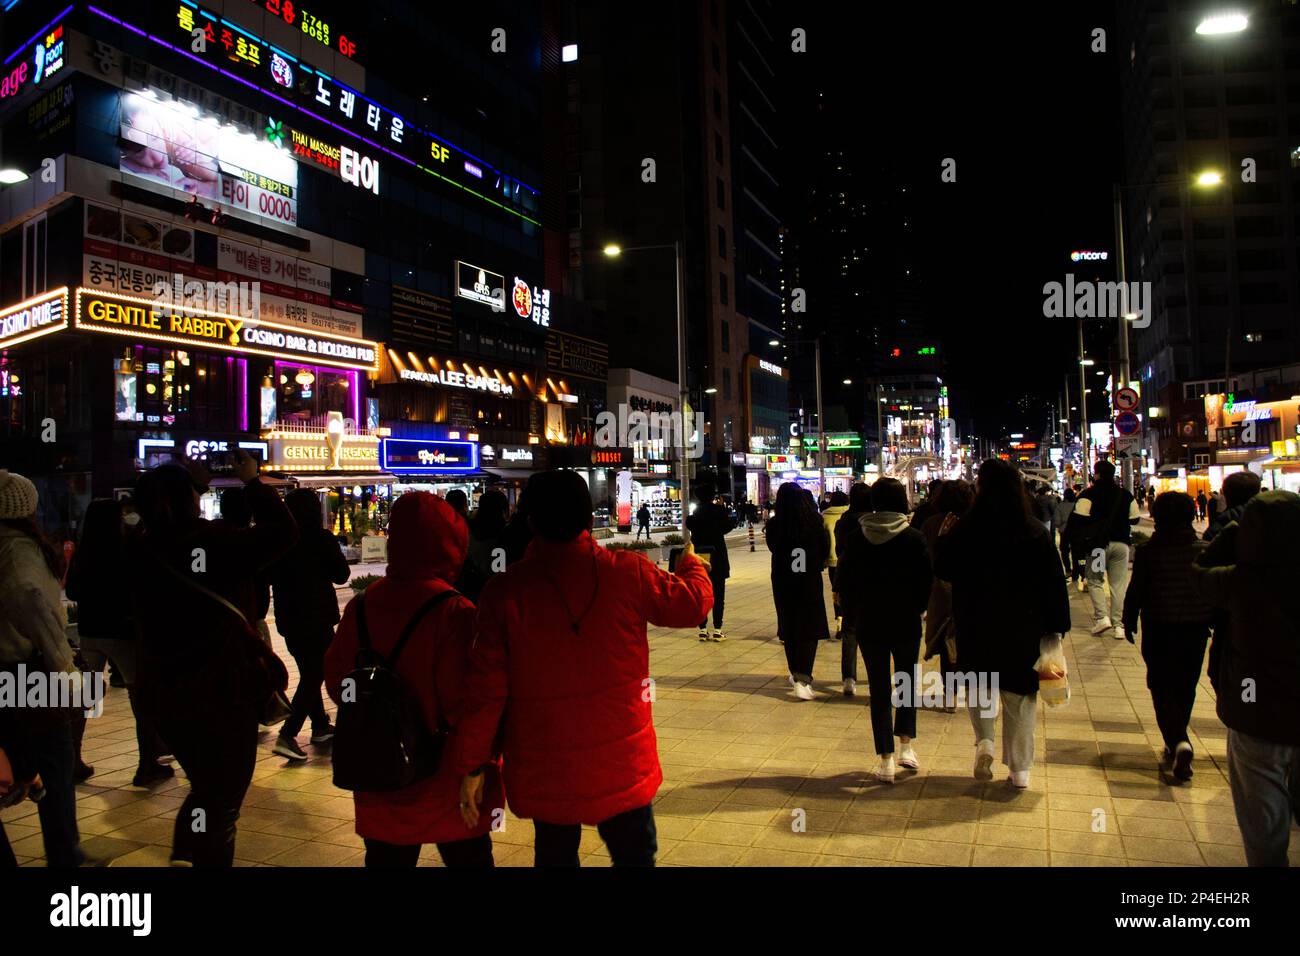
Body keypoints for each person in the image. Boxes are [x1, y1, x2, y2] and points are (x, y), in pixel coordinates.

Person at [454, 470, 713, 866]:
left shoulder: (505, 593)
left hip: (545, 765)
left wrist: (474, 764)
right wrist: (692, 566)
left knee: (555, 855)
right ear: (589, 520)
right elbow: (692, 604)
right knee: (635, 856)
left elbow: (485, 692)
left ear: (530, 522)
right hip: (621, 762)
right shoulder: (627, 572)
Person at [130, 453, 297, 866]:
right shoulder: (211, 542)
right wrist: (254, 483)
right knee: (221, 796)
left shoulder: (139, 550)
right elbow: (283, 532)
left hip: (165, 690)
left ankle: (186, 855)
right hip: (222, 689)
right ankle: (199, 857)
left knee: (206, 786)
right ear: (189, 499)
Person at [325, 492, 502, 867]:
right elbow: (466, 702)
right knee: (468, 858)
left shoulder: (360, 606)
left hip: (380, 768)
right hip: (444, 775)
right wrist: (475, 767)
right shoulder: (454, 612)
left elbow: (338, 683)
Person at [934, 459, 1071, 789]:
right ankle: (1020, 770)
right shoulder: (1034, 530)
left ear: (979, 488)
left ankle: (985, 743)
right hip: (1023, 627)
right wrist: (1056, 625)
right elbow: (1054, 582)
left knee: (980, 684)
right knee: (1019, 697)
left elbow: (945, 570)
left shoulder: (965, 529)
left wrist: (943, 538)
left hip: (976, 623)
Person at [1192, 491, 1300, 866]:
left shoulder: (1242, 581)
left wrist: (1232, 534)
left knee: (1263, 824)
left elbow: (1199, 571)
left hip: (1258, 713)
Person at [0, 470, 84, 867]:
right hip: (29, 672)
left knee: (37, 760)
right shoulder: (18, 551)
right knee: (55, 760)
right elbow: (33, 600)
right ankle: (65, 853)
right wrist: (66, 670)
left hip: (11, 673)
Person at [65, 498, 173, 788]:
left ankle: (72, 760)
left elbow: (73, 588)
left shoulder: (83, 552)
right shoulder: (128, 548)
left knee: (84, 699)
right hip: (122, 633)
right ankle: (146, 764)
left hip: (89, 632)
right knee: (141, 698)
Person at [835, 478, 932, 783]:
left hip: (869, 621)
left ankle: (885, 759)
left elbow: (845, 584)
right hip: (905, 620)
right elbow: (925, 582)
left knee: (879, 689)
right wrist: (918, 608)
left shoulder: (855, 539)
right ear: (902, 502)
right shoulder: (914, 539)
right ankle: (906, 746)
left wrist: (853, 612)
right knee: (905, 681)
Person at [1121, 492, 1211, 782]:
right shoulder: (1205, 550)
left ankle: (1178, 740)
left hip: (1159, 627)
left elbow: (1137, 590)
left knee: (1160, 685)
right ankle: (1177, 740)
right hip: (1195, 628)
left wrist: (1129, 619)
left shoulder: (1150, 551)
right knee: (1186, 685)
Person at [268, 489, 351, 761]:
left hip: (289, 617)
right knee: (316, 672)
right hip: (316, 617)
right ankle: (288, 734)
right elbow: (341, 574)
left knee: (309, 670)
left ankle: (319, 726)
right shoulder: (320, 538)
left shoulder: (280, 540)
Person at [1198, 471, 1263, 692]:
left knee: (1223, 670)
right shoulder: (1278, 522)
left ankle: (1242, 715)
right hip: (1273, 614)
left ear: (1227, 495)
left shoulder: (1223, 524)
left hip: (1230, 612)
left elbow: (1202, 568)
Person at [765, 481, 831, 699]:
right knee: (809, 627)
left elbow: (773, 547)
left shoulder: (775, 525)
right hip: (808, 580)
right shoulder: (814, 521)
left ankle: (796, 672)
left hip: (783, 580)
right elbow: (824, 549)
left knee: (789, 625)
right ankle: (803, 677)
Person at [919, 479, 975, 711]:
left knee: (945, 641)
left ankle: (949, 694)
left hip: (940, 589)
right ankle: (974, 691)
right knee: (968, 639)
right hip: (971, 588)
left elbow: (923, 558)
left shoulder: (932, 523)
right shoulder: (976, 523)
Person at [1071, 459, 1140, 640]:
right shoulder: (1125, 495)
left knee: (1095, 580)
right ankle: (1119, 626)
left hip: (1098, 547)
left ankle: (1102, 618)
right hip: (1121, 546)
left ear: (1097, 475)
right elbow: (1135, 519)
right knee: (1118, 585)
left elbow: (1079, 517)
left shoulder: (1088, 494)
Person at [834, 484, 872, 695]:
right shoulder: (875, 521)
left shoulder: (844, 522)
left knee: (850, 629)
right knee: (875, 629)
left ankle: (849, 677)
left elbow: (840, 551)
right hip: (874, 579)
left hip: (849, 577)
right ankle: (876, 675)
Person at [686, 482, 734, 642]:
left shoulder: (694, 516)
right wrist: (722, 508)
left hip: (700, 557)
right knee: (718, 594)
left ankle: (702, 629)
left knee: (700, 594)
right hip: (717, 557)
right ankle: (718, 629)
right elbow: (728, 527)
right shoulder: (719, 512)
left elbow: (690, 525)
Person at [457, 489, 510, 603]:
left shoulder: (467, 530)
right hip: (496, 594)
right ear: (501, 509)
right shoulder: (504, 534)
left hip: (470, 590)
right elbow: (499, 570)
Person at [820, 490, 851, 642]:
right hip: (850, 559)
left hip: (833, 561)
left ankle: (839, 620)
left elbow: (823, 540)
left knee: (837, 591)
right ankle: (850, 620)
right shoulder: (851, 515)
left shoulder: (824, 516)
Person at [1054, 485, 1080, 587]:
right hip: (1075, 532)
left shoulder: (1060, 506)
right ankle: (1076, 573)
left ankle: (1068, 570)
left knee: (1064, 551)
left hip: (1064, 531)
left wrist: (1060, 526)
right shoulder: (1077, 505)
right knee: (1075, 552)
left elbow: (1057, 521)